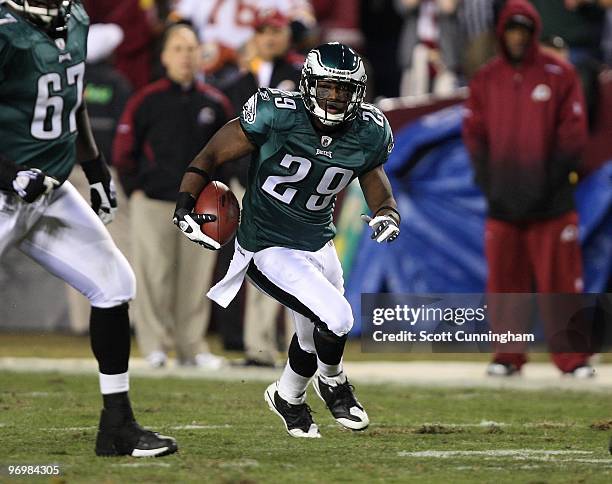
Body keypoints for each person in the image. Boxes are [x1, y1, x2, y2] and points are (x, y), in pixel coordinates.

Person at [173, 42, 399, 438]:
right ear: (309, 83)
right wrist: (184, 204)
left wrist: (387, 215)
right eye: (327, 87)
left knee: (313, 338)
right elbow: (211, 153)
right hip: (267, 244)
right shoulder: (276, 114)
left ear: (357, 92)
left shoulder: (368, 131)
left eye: (343, 90)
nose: (334, 97)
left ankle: (288, 396)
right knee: (338, 318)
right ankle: (334, 382)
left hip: (318, 241)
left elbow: (378, 187)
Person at [0, 0, 177, 456]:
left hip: (49, 189)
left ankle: (116, 426)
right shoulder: (4, 30)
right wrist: (7, 172)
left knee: (114, 283)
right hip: (5, 189)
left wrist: (96, 169)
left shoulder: (75, 18)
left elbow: (71, 99)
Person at [462, 0, 592, 377]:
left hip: (551, 203)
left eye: (524, 30)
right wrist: (492, 185)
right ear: (502, 32)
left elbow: (573, 137)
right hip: (503, 204)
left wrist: (546, 185)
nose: (518, 37)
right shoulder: (486, 78)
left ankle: (573, 359)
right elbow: (475, 137)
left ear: (534, 33)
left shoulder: (560, 74)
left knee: (562, 282)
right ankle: (507, 356)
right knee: (505, 283)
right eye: (512, 29)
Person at [113, 24, 232, 369]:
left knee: (195, 279)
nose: (185, 55)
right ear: (164, 56)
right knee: (154, 276)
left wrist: (219, 195)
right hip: (154, 201)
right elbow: (123, 151)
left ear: (201, 54)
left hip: (201, 207)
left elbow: (230, 153)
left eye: (191, 48)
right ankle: (155, 346)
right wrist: (136, 188)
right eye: (178, 48)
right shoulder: (145, 100)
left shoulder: (215, 102)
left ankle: (191, 347)